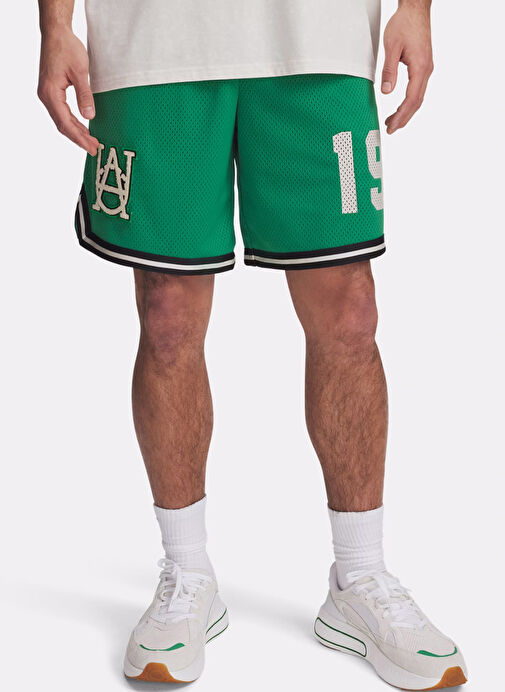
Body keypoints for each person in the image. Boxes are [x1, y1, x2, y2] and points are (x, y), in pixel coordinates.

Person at [37, 0, 467, 688]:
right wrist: (55, 26)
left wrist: (415, 9)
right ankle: (186, 574)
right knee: (168, 314)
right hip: (154, 43)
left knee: (348, 313)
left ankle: (359, 576)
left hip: (319, 38)